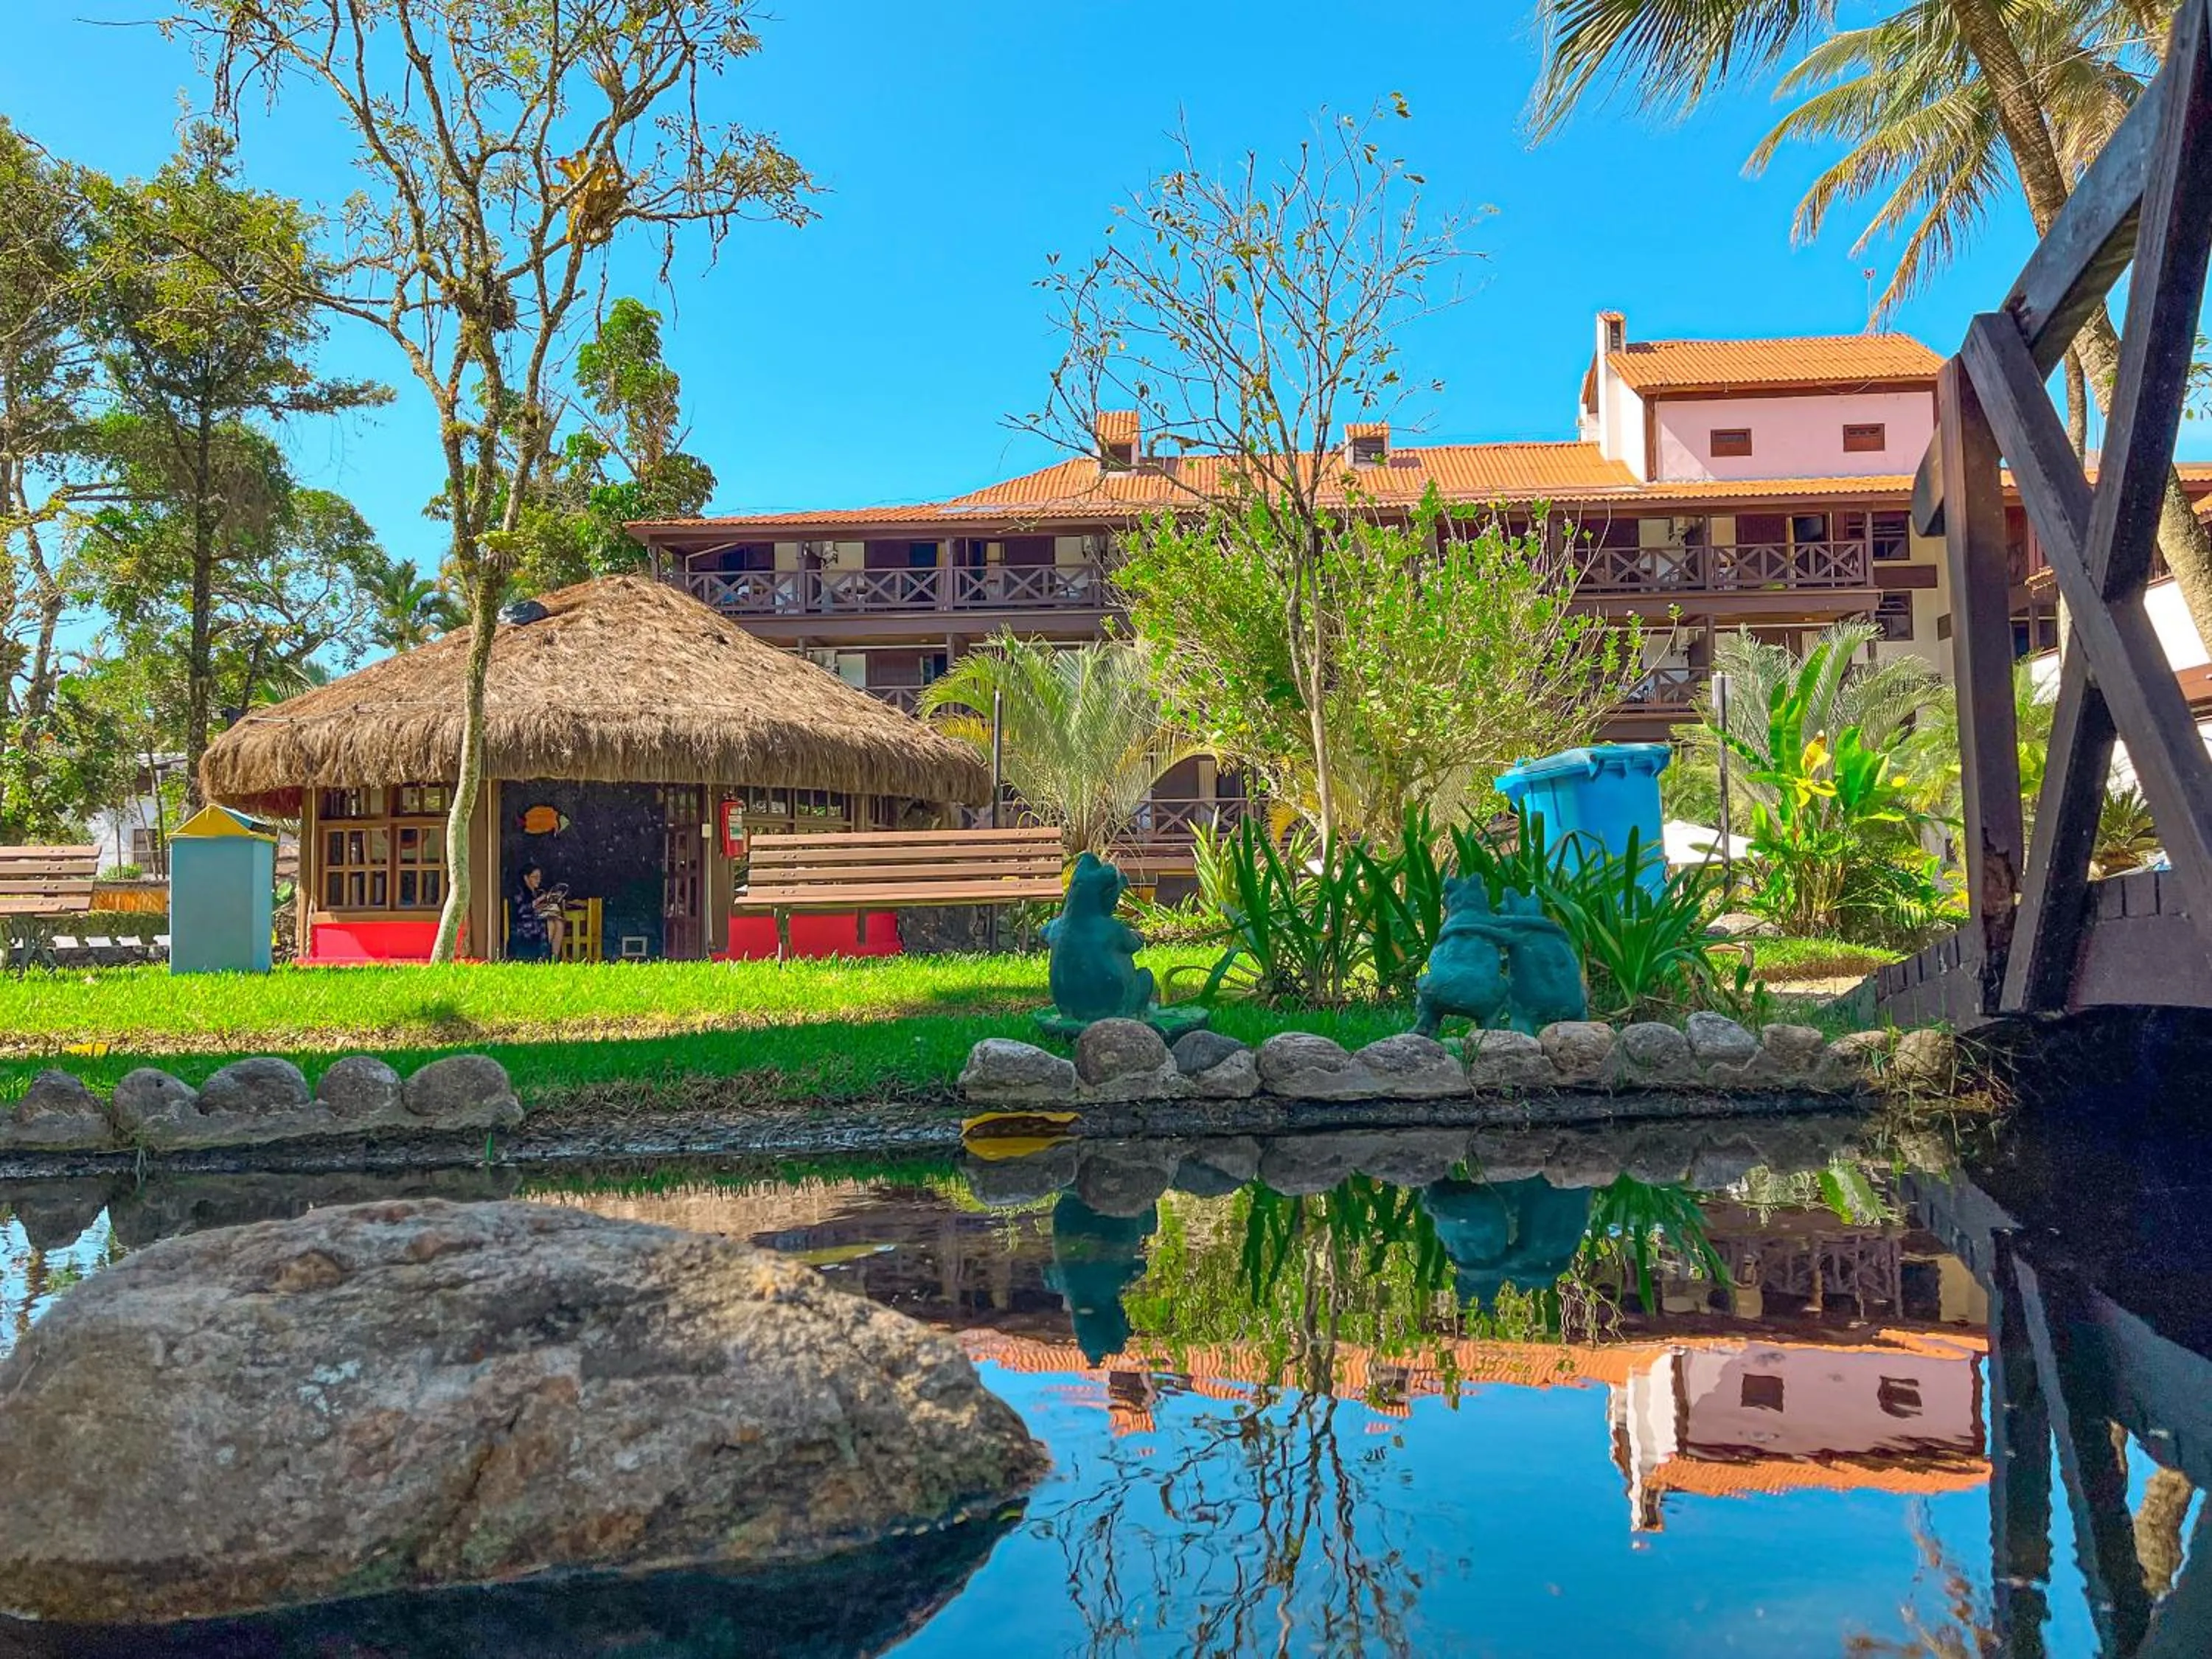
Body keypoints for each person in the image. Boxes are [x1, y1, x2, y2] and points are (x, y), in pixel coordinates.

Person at [509, 863, 567, 961]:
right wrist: (538, 901)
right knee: (550, 923)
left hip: (537, 917)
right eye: (535, 877)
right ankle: (544, 956)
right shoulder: (519, 892)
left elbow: (537, 909)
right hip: (523, 922)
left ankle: (554, 958)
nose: (538, 880)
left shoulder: (537, 892)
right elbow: (521, 910)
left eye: (539, 877)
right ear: (526, 878)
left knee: (559, 923)